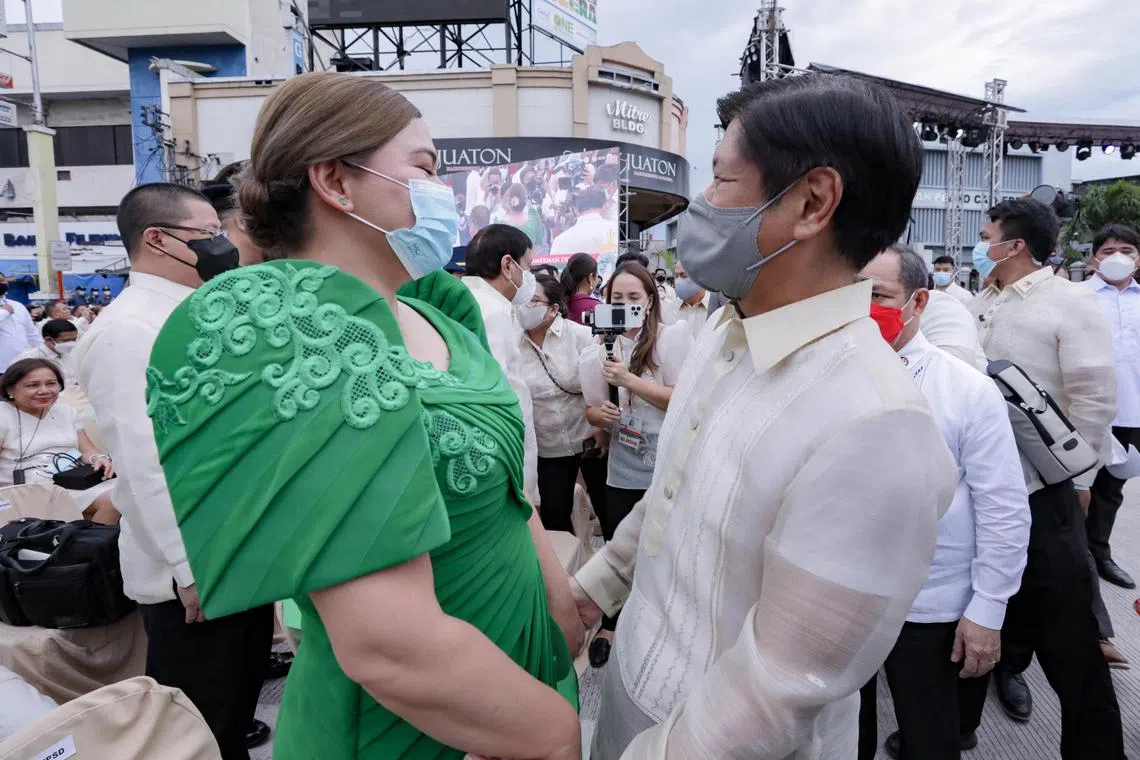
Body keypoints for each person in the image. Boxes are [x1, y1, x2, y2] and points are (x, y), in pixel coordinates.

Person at [145, 73, 581, 760]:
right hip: (409, 720)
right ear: (335, 181)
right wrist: (554, 735)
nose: (444, 193)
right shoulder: (293, 336)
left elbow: (502, 487)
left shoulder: (436, 310)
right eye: (425, 168)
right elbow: (389, 647)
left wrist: (557, 598)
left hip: (506, 670)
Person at [571, 74, 957, 759]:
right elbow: (672, 496)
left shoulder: (875, 424)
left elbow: (780, 688)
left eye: (721, 181)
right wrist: (593, 591)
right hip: (631, 683)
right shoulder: (728, 332)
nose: (701, 207)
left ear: (812, 203)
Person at [74, 182, 270, 759]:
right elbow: (145, 463)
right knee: (197, 726)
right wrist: (191, 566)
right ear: (157, 239)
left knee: (232, 715)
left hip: (235, 550)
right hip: (193, 569)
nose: (222, 245)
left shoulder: (189, 313)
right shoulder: (129, 330)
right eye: (207, 234)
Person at [856, 245, 1030, 760]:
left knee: (930, 736)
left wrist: (988, 609)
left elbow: (1004, 508)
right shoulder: (824, 376)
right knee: (843, 735)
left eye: (879, 295)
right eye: (851, 295)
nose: (862, 308)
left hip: (929, 604)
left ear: (918, 301)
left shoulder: (967, 391)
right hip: (843, 596)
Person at [965, 198, 1124, 758]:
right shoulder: (981, 299)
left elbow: (1093, 398)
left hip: (1043, 489)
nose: (979, 243)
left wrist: (1080, 479)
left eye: (986, 235)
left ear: (1016, 246)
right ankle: (979, 702)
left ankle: (1095, 746)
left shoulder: (1069, 302)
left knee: (1069, 626)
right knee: (985, 601)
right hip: (981, 486)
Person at [577, 262, 692, 669]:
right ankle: (612, 622)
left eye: (633, 298)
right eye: (616, 299)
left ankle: (660, 623)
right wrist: (600, 416)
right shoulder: (597, 352)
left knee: (664, 548)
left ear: (651, 301)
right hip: (622, 466)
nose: (624, 306)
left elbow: (681, 399)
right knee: (618, 542)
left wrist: (630, 381)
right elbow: (590, 410)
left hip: (667, 465)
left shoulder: (672, 341)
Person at [517, 274, 604, 533]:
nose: (524, 307)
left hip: (591, 439)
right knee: (555, 518)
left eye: (533, 301)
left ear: (554, 308)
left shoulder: (581, 336)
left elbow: (604, 385)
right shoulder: (512, 343)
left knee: (607, 508)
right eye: (523, 300)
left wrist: (602, 429)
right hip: (548, 447)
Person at [462, 223, 541, 506]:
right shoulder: (491, 311)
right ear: (508, 265)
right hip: (500, 463)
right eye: (528, 267)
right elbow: (496, 395)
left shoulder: (471, 301)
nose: (529, 279)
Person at [1082, 223, 1140, 590]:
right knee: (1076, 487)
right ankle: (1075, 558)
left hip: (1132, 411)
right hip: (1087, 411)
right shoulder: (1078, 296)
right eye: (1108, 251)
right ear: (1093, 258)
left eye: (1127, 251)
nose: (1118, 258)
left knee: (1110, 491)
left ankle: (1099, 553)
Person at [0, 358, 115, 520]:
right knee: (114, 500)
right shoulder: (3, 416)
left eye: (51, 383)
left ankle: (95, 541)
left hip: (73, 481)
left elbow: (87, 450)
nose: (44, 390)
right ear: (10, 389)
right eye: (33, 385)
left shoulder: (66, 412)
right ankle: (90, 543)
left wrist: (99, 458)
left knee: (130, 490)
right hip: (27, 491)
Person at [549, 187, 618, 258]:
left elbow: (554, 267)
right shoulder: (618, 232)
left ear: (576, 210)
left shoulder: (560, 241)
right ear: (605, 206)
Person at [15, 319, 80, 389]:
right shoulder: (29, 359)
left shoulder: (72, 353)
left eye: (74, 339)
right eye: (66, 340)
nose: (71, 343)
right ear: (49, 340)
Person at [0, 280, 41, 373]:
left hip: (23, 364)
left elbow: (31, 333)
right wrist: (4, 312)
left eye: (2, 280)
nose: (1, 283)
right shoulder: (6, 310)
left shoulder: (17, 305)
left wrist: (44, 353)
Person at [667, 260, 714, 341]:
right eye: (676, 276)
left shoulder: (715, 308)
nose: (678, 281)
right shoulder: (671, 307)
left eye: (684, 275)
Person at [496, 182, 545, 254]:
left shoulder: (499, 223)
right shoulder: (534, 217)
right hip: (530, 262)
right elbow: (538, 245)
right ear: (525, 199)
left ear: (508, 201)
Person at [562, 253, 603, 325]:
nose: (598, 280)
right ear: (590, 278)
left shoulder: (559, 305)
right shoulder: (598, 308)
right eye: (597, 276)